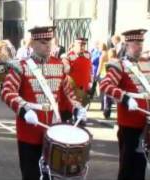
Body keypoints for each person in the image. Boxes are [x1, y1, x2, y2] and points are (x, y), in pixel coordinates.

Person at [1, 26, 85, 180]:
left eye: (50, 42)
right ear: (32, 44)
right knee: (31, 174)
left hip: (53, 131)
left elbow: (68, 94)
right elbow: (7, 92)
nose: (48, 46)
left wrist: (77, 108)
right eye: (43, 42)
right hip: (29, 131)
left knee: (53, 175)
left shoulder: (58, 65)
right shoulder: (21, 66)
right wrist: (24, 110)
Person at [100, 29, 148, 180]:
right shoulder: (119, 65)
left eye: (141, 43)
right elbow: (105, 85)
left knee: (141, 166)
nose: (139, 46)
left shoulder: (146, 64)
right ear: (126, 45)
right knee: (127, 167)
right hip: (129, 125)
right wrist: (126, 98)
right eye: (135, 43)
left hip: (145, 123)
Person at [60, 37, 93, 124]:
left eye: (83, 45)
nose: (82, 47)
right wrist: (66, 66)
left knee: (83, 105)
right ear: (74, 44)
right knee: (72, 105)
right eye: (80, 44)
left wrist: (90, 81)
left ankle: (80, 120)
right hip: (73, 86)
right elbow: (65, 69)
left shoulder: (88, 55)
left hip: (84, 85)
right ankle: (72, 118)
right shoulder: (68, 55)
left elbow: (89, 69)